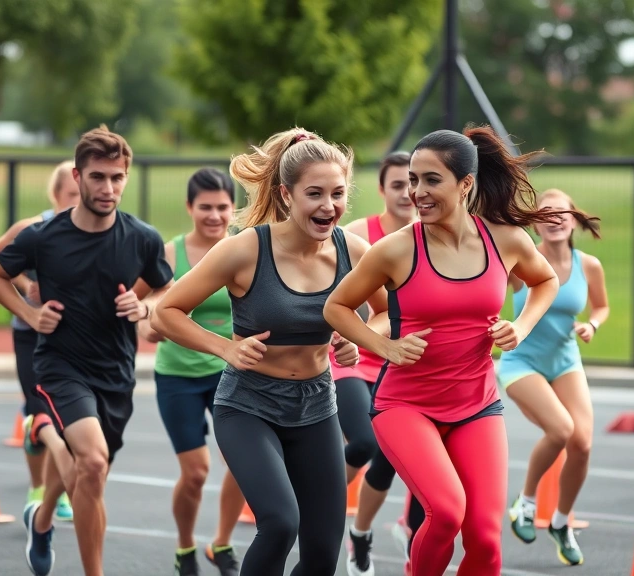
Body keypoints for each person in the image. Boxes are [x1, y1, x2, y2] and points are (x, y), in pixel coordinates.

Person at [325, 126, 591, 576]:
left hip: (476, 405)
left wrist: (521, 327)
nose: (417, 192)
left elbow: (545, 280)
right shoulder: (395, 249)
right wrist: (384, 346)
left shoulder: (505, 239)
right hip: (406, 406)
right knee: (446, 513)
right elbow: (337, 307)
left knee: (485, 540)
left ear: (465, 184)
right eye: (413, 180)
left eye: (432, 180)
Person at [151, 127, 384, 576]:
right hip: (248, 406)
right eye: (314, 194)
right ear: (286, 194)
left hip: (316, 406)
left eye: (337, 194)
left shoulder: (353, 250)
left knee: (322, 556)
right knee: (280, 523)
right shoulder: (245, 249)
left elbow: (387, 312)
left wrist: (360, 337)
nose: (328, 206)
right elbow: (166, 312)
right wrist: (225, 347)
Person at [0, 125, 174, 576]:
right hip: (60, 364)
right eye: (97, 177)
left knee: (91, 474)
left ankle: (42, 517)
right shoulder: (43, 236)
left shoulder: (142, 237)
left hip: (116, 371)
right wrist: (30, 315)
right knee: (91, 461)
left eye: (117, 177)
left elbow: (166, 288)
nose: (108, 188)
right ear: (77, 176)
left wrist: (144, 306)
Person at [137, 167, 245, 575]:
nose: (214, 216)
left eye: (222, 207)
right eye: (205, 207)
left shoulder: (243, 248)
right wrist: (149, 324)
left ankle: (221, 543)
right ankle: (185, 546)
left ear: (233, 208)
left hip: (230, 372)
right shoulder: (169, 254)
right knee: (196, 472)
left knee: (242, 462)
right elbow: (145, 312)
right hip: (178, 375)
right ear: (189, 207)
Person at [500, 189, 605, 566]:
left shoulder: (588, 265)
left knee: (582, 443)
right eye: (546, 213)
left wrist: (593, 324)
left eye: (562, 213)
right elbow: (484, 286)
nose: (555, 219)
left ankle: (561, 522)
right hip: (521, 362)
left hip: (565, 361)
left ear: (574, 220)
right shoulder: (522, 259)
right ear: (535, 224)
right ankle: (525, 503)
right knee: (561, 430)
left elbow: (602, 306)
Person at [336, 151, 424, 576]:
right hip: (352, 358)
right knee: (364, 443)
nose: (407, 193)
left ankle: (362, 533)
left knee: (394, 459)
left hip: (400, 364)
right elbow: (334, 298)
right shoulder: (357, 235)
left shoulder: (431, 236)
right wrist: (356, 333)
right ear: (382, 189)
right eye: (397, 185)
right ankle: (317, 499)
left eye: (413, 183)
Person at [0, 160, 78, 519]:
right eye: (71, 195)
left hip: (72, 334)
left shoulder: (94, 232)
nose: (77, 201)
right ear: (55, 195)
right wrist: (25, 285)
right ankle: (38, 487)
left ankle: (57, 490)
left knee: (67, 414)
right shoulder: (32, 228)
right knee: (40, 410)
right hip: (30, 333)